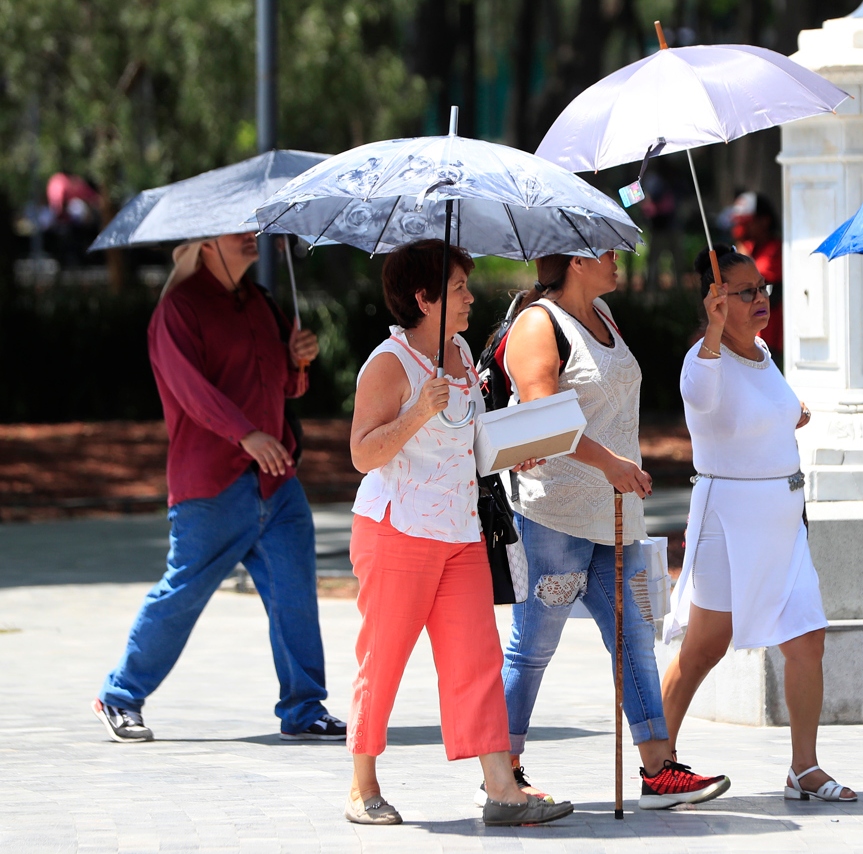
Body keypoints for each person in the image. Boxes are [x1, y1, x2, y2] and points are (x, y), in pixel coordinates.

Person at [343, 239, 573, 827]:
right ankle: (361, 787)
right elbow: (363, 454)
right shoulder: (387, 365)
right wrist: (418, 409)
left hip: (461, 530)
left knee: (477, 659)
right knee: (384, 657)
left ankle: (502, 789)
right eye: (458, 288)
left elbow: (467, 440)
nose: (471, 296)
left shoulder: (462, 351)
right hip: (398, 532)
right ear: (423, 299)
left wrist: (508, 453)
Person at [498, 250, 730, 810]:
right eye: (604, 251)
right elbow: (541, 413)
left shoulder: (604, 313)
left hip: (615, 514)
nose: (618, 258)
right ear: (576, 260)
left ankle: (658, 770)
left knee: (633, 640)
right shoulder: (538, 323)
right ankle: (502, 771)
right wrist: (610, 464)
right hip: (553, 513)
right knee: (534, 645)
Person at [94, 232, 345, 744]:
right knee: (181, 595)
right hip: (211, 485)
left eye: (255, 231)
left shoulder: (260, 303)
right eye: (238, 233)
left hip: (277, 484)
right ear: (206, 243)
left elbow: (284, 385)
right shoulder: (176, 311)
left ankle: (304, 708)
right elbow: (190, 392)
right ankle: (119, 696)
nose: (253, 240)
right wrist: (244, 433)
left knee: (295, 595)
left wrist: (297, 359)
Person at [660, 245, 855, 802]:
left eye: (762, 287)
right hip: (730, 523)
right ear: (716, 299)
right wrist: (717, 332)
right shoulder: (703, 358)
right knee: (703, 647)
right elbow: (699, 399)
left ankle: (804, 767)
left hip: (784, 523)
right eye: (745, 291)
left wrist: (791, 415)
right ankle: (659, 761)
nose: (760, 299)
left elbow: (765, 412)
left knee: (807, 637)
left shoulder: (765, 352)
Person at [728, 192, 783, 362]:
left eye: (747, 223)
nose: (742, 229)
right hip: (749, 337)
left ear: (764, 221)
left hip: (772, 336)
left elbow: (759, 283)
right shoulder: (749, 247)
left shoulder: (776, 250)